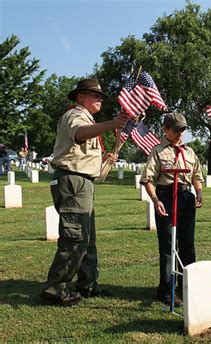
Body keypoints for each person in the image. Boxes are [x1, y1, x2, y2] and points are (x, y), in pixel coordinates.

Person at [40, 79, 129, 306]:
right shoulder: (74, 115)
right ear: (80, 97)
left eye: (100, 96)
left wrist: (110, 153)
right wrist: (114, 122)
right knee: (75, 236)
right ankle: (55, 289)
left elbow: (86, 159)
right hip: (72, 182)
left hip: (83, 182)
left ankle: (88, 284)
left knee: (87, 238)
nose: (99, 99)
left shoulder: (88, 119)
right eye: (94, 95)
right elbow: (79, 134)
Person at [141, 113, 203, 306]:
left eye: (183, 130)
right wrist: (155, 199)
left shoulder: (190, 152)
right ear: (166, 129)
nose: (180, 134)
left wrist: (199, 191)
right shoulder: (158, 152)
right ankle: (166, 290)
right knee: (168, 245)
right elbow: (148, 179)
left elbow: (196, 175)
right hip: (166, 197)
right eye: (176, 130)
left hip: (185, 198)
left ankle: (187, 285)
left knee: (187, 244)